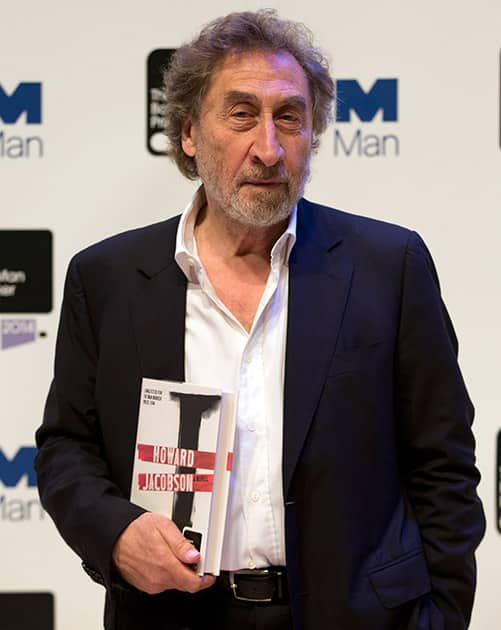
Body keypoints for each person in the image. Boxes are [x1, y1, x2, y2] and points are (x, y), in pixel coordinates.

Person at [35, 9, 485, 630]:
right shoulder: (107, 278)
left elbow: (444, 464)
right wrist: (115, 534)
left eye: (290, 118)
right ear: (189, 132)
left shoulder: (388, 266)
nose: (268, 148)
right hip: (172, 618)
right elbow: (67, 448)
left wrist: (442, 616)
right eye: (242, 114)